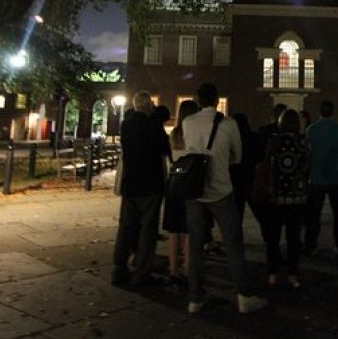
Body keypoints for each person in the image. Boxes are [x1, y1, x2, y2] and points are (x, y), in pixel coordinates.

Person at [182, 83, 267, 314]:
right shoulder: (228, 124)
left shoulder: (187, 122)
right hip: (221, 189)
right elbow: (237, 157)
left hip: (195, 191)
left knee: (196, 246)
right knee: (233, 243)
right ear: (217, 100)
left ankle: (195, 298)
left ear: (197, 100)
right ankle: (243, 295)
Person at [112, 91, 171, 286]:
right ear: (147, 106)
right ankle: (142, 272)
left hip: (131, 183)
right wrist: (155, 116)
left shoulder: (126, 124)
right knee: (148, 229)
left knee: (126, 227)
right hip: (151, 184)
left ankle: (119, 267)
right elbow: (165, 149)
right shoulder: (153, 125)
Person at [262, 108, 308, 288]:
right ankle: (292, 273)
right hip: (296, 196)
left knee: (273, 237)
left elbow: (266, 163)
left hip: (275, 194)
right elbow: (306, 166)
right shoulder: (302, 143)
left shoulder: (274, 141)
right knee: (293, 237)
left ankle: (272, 273)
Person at [303, 99, 338, 259]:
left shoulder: (311, 130)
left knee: (313, 214)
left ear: (320, 112)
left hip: (316, 178)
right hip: (336, 177)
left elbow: (308, 150)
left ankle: (310, 245)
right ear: (333, 112)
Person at [163, 99, 199, 284]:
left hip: (174, 182)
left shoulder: (174, 134)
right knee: (188, 229)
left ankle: (173, 268)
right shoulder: (195, 134)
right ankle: (187, 267)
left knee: (174, 230)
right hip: (190, 182)